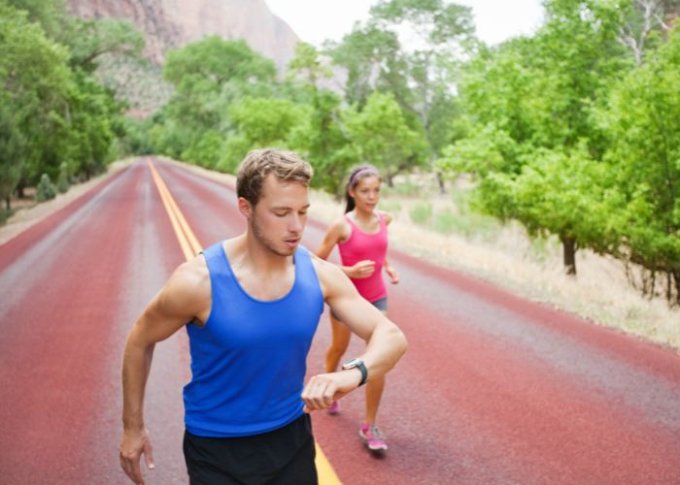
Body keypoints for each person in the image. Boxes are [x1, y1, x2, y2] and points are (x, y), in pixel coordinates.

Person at [119, 149, 407, 485]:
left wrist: (351, 375)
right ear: (246, 207)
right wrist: (132, 426)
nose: (296, 226)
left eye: (302, 212)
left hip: (291, 439)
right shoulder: (198, 282)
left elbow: (392, 337)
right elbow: (140, 339)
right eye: (281, 212)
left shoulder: (318, 274)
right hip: (217, 448)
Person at [315, 164, 399, 453]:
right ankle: (329, 385)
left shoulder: (384, 219)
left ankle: (370, 423)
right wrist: (349, 271)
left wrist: (387, 267)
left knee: (378, 359)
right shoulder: (342, 226)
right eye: (365, 191)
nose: (372, 197)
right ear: (352, 192)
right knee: (339, 349)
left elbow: (378, 250)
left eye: (376, 190)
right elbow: (317, 263)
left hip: (377, 299)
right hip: (346, 300)